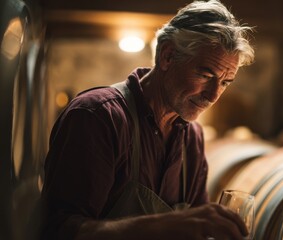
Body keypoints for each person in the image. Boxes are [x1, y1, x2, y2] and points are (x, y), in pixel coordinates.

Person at [37, 0, 255, 239]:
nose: (213, 95)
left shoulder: (191, 138)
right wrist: (166, 225)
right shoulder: (98, 117)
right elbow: (59, 231)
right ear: (167, 56)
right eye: (205, 75)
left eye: (224, 82)